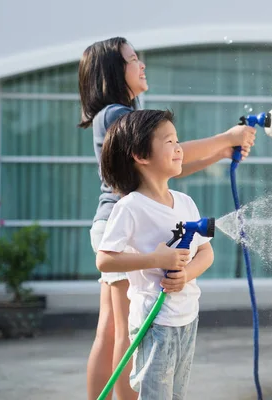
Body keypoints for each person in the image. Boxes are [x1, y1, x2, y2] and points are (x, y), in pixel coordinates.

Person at [78, 37, 255, 400]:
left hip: (112, 223)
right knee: (130, 334)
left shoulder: (115, 114)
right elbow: (172, 157)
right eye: (132, 60)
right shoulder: (116, 114)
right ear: (113, 71)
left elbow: (173, 167)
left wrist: (222, 151)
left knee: (111, 330)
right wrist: (226, 137)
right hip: (128, 229)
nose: (141, 65)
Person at [96, 109, 213, 399]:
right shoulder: (130, 207)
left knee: (176, 394)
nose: (178, 148)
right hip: (154, 320)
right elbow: (105, 260)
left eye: (178, 140)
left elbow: (206, 253)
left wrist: (187, 275)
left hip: (187, 316)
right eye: (169, 141)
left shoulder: (185, 202)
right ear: (141, 155)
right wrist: (155, 260)